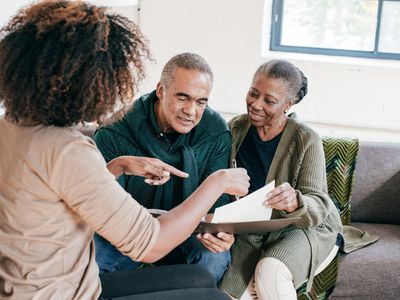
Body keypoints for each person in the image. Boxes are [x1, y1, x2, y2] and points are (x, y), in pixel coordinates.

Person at [0, 1, 250, 299]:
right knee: (215, 298)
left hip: (35, 284)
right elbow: (151, 244)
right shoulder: (69, 150)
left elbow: (63, 193)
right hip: (65, 293)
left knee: (198, 278)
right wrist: (217, 181)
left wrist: (116, 166)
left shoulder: (11, 126)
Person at [93, 52, 235, 282]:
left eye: (201, 102)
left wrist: (220, 234)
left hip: (189, 233)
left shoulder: (215, 132)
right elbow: (100, 206)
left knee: (213, 258)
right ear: (160, 90)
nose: (191, 111)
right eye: (182, 98)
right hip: (128, 233)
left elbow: (216, 208)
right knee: (93, 260)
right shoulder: (115, 132)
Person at [218, 59, 343, 300]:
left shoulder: (306, 139)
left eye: (269, 101)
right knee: (228, 295)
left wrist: (294, 201)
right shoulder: (235, 128)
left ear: (289, 103)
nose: (255, 104)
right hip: (252, 231)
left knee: (270, 273)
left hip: (303, 227)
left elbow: (318, 202)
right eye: (253, 93)